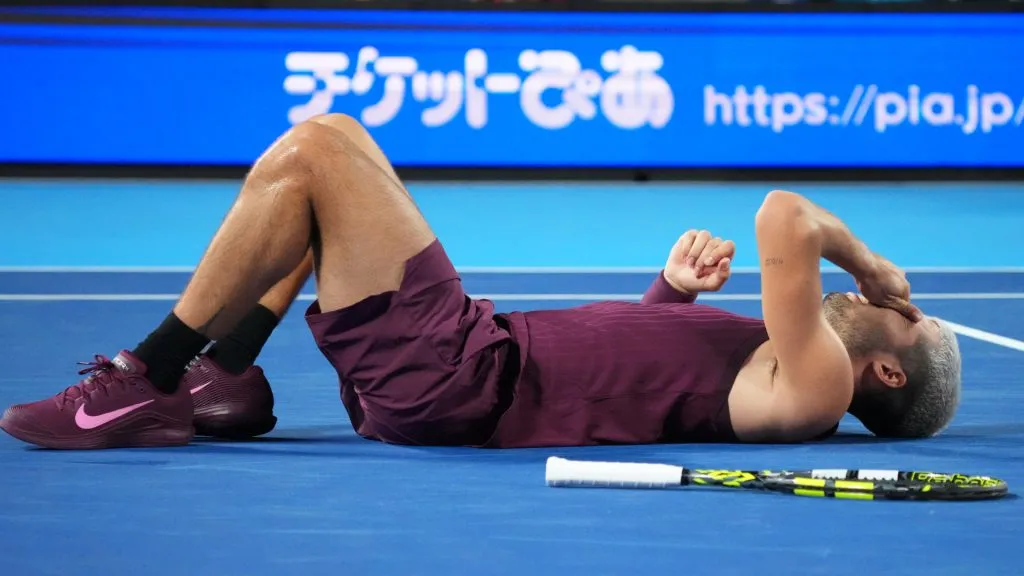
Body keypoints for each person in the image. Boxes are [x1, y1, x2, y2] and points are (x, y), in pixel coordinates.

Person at [0, 114, 962, 450]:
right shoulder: (769, 369)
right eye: (894, 296)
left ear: (881, 374)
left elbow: (784, 216)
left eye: (900, 320)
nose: (886, 303)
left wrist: (871, 262)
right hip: (465, 367)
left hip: (464, 377)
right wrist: (666, 297)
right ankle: (227, 378)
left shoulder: (819, 383)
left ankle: (149, 380)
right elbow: (622, 387)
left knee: (322, 151)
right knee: (328, 174)